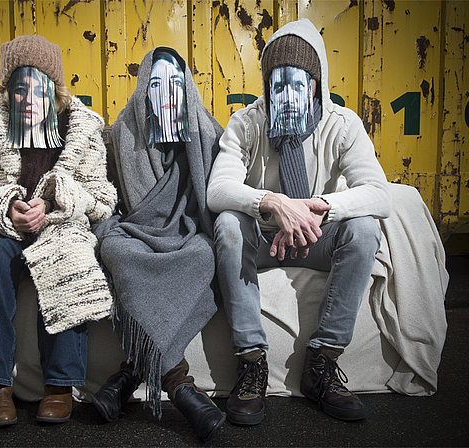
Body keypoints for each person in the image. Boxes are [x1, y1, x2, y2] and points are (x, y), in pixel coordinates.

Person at [207, 18, 391, 425]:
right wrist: (270, 201)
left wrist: (318, 205)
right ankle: (251, 362)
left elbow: (379, 194)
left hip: (316, 234)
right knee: (227, 226)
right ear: (266, 87)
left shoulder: (342, 124)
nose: (287, 96)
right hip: (264, 238)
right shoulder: (248, 122)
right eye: (277, 84)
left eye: (298, 84)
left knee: (364, 229)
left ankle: (321, 364)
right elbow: (217, 190)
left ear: (316, 84)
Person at [0, 35, 117, 428]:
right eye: (20, 90)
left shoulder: (82, 128)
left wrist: (55, 202)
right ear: (7, 92)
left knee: (71, 251)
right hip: (5, 230)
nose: (29, 99)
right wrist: (3, 207)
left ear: (55, 91)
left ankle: (60, 384)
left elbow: (102, 197)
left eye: (40, 89)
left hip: (57, 225)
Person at [91, 47, 226, 442]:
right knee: (119, 255)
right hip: (134, 232)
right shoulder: (122, 132)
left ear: (187, 90)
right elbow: (105, 200)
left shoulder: (207, 132)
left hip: (186, 236)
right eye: (155, 83)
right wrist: (108, 228)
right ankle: (178, 384)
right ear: (143, 93)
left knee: (205, 255)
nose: (166, 92)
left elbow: (210, 206)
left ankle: (130, 372)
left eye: (175, 83)